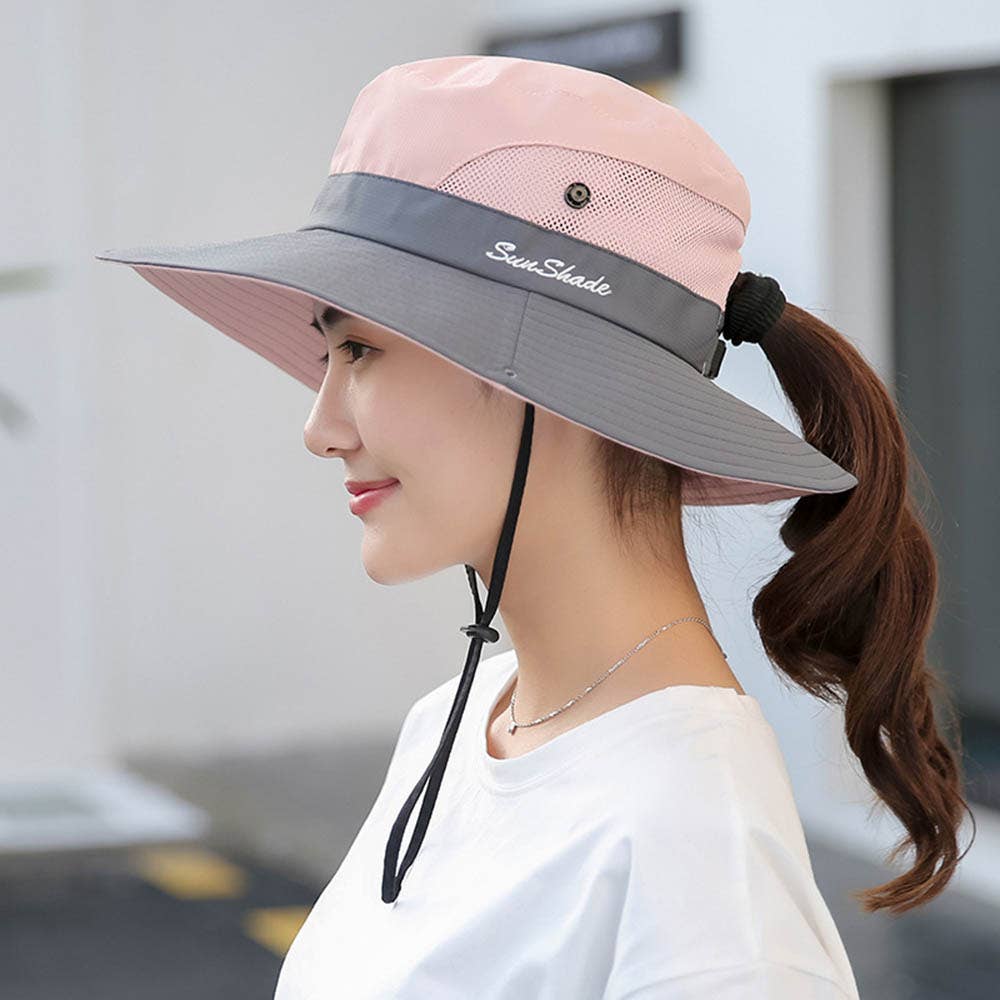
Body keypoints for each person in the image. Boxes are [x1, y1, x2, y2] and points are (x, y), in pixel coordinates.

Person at [95, 53, 973, 999]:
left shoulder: (696, 870)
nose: (321, 427)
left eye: (359, 348)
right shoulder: (465, 719)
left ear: (542, 376)